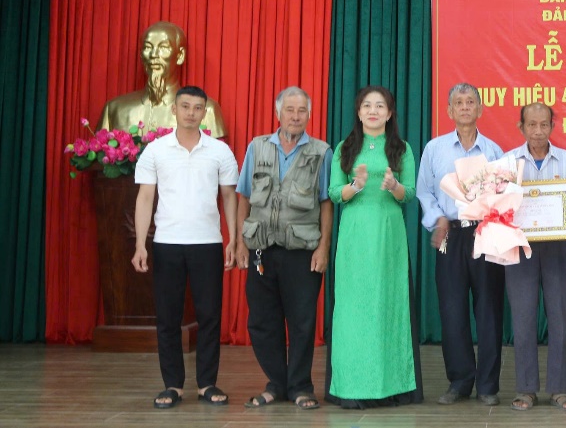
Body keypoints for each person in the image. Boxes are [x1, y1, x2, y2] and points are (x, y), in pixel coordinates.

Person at [131, 85, 238, 409]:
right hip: (167, 243)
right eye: (186, 106)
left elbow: (229, 196)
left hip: (208, 243)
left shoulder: (219, 151)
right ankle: (173, 385)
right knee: (168, 318)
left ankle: (207, 384)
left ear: (205, 112)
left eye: (198, 107)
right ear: (174, 110)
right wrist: (140, 244)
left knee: (209, 316)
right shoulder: (155, 150)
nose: (191, 112)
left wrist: (234, 238)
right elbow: (145, 197)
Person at [235, 87, 332, 410]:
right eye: (289, 110)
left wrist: (323, 247)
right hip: (261, 249)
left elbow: (326, 203)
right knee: (262, 322)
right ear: (278, 113)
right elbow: (244, 197)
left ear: (309, 115)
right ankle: (277, 383)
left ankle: (301, 386)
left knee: (302, 322)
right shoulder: (257, 147)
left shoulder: (321, 152)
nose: (295, 116)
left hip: (302, 251)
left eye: (302, 110)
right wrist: (240, 242)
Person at [327, 86, 420, 408]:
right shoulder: (346, 147)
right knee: (354, 308)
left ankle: (390, 385)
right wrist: (355, 185)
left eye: (380, 106)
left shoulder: (401, 148)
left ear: (390, 113)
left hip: (388, 232)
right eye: (367, 105)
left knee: (387, 305)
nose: (373, 111)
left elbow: (409, 194)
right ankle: (352, 386)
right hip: (355, 234)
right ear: (358, 111)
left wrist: (394, 186)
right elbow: (335, 193)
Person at [417, 83, 505, 406]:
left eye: (471, 102)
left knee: (489, 310)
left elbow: (504, 193)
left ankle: (488, 386)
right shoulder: (434, 149)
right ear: (449, 110)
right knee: (452, 309)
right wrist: (437, 219)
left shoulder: (493, 151)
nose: (465, 107)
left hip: (485, 233)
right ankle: (460, 381)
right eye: (459, 102)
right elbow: (424, 191)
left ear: (480, 109)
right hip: (449, 234)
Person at [503, 103, 566, 412]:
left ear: (553, 126)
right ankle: (526, 389)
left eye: (544, 125)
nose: (538, 131)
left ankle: (560, 388)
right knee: (523, 318)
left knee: (560, 317)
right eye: (531, 125)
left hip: (558, 247)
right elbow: (499, 206)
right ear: (521, 127)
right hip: (519, 246)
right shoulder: (508, 163)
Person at [99, 21, 227, 137]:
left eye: (163, 48)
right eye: (148, 47)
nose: (153, 55)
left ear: (180, 56)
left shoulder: (206, 111)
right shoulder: (114, 109)